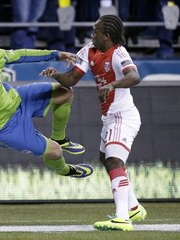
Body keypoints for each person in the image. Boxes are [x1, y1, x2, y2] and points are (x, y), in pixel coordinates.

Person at [40, 15, 147, 231]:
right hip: (110, 118)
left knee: (114, 161)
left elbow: (134, 76)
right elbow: (71, 80)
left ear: (106, 36)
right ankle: (134, 207)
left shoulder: (118, 53)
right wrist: (57, 75)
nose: (92, 33)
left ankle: (122, 217)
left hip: (123, 116)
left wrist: (112, 85)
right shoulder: (88, 50)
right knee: (105, 159)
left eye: (96, 31)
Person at [0, 34, 93, 182]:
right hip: (4, 127)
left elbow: (22, 55)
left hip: (16, 98)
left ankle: (59, 138)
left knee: (65, 93)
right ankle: (65, 170)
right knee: (55, 152)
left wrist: (56, 55)